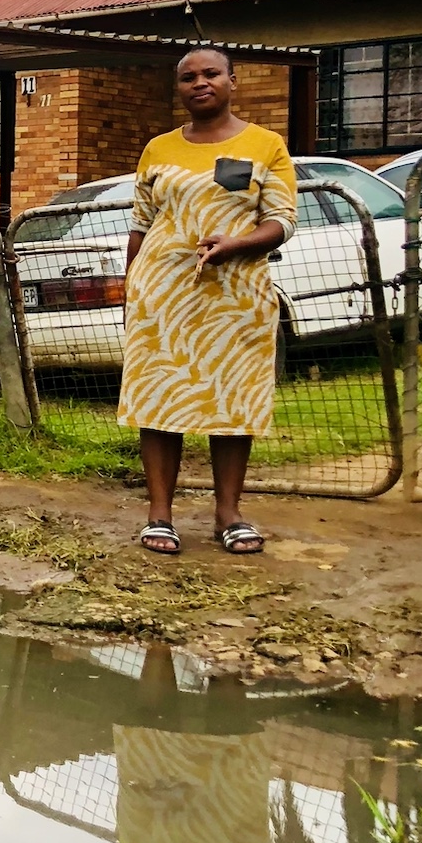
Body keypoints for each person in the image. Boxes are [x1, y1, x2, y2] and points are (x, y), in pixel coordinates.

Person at [119, 47, 297, 555]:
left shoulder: (266, 146)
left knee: (232, 397)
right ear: (178, 88)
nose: (200, 83)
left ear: (232, 81)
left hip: (235, 298)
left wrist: (238, 245)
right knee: (158, 400)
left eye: (211, 74)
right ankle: (159, 515)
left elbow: (282, 220)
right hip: (162, 294)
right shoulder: (157, 149)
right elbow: (140, 223)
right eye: (187, 77)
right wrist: (132, 289)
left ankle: (229, 514)